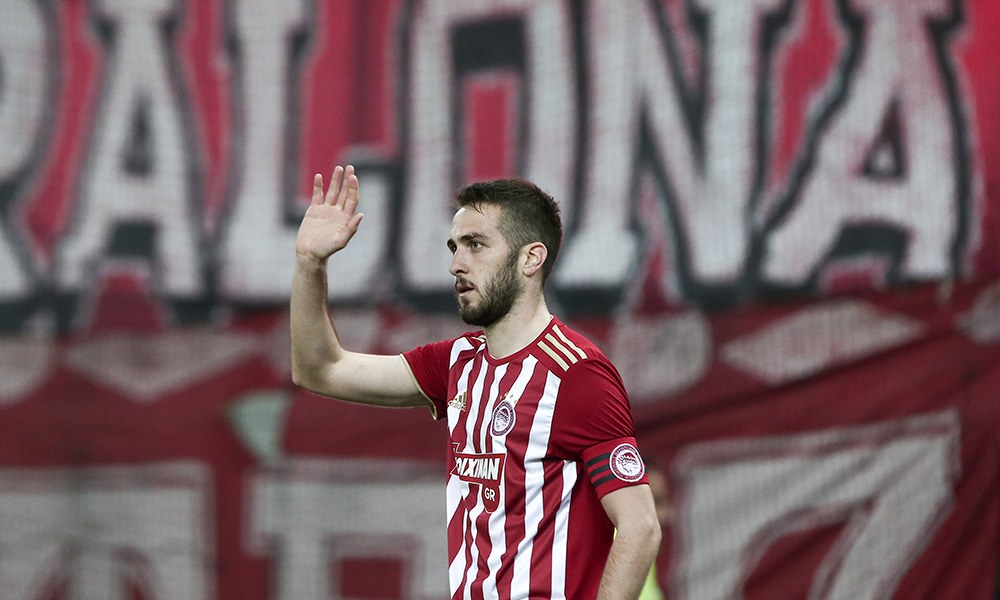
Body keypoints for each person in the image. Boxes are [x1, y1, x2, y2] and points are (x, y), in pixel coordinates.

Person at [291, 165, 661, 599]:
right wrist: (309, 263)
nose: (456, 265)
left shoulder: (577, 374)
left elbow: (640, 527)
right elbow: (320, 370)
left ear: (531, 258)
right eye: (455, 247)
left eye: (476, 245)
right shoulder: (455, 363)